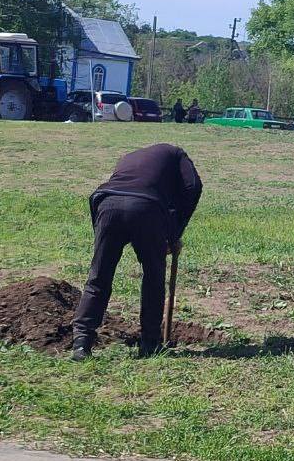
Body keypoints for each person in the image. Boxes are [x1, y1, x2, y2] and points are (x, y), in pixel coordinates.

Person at [72, 144, 203, 361]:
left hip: (106, 203)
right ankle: (150, 343)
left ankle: (81, 343)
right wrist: (174, 234)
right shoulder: (177, 153)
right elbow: (193, 186)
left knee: (99, 277)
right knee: (153, 276)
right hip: (146, 208)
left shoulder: (130, 157)